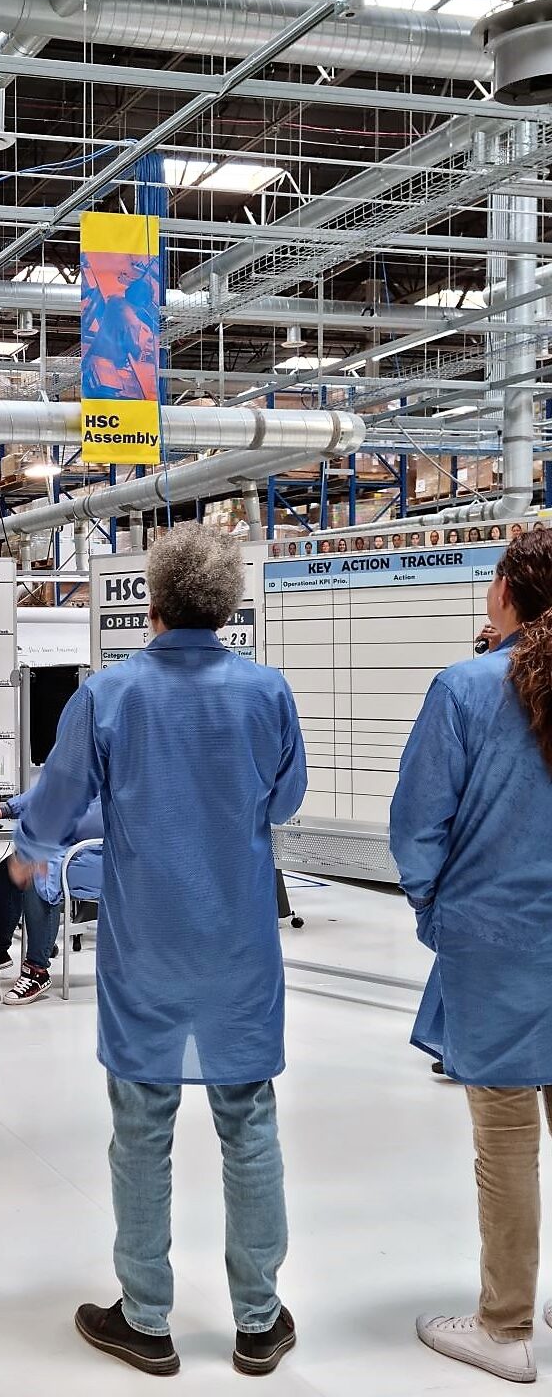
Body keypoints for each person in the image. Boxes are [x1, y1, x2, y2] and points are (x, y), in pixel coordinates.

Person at [13, 523, 307, 1378]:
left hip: (145, 945)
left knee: (141, 1127)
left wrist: (31, 848)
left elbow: (58, 798)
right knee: (248, 1121)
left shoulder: (108, 695)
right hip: (239, 945)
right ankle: (259, 1320)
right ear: (229, 605)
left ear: (152, 601)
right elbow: (285, 799)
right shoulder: (267, 692)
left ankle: (145, 1318)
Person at [390, 528, 552, 1385]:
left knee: (507, 1136)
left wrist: (434, 910)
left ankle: (504, 1325)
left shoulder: (466, 687)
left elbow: (417, 824)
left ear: (510, 594)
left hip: (495, 940)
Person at [0, 795, 103, 1006]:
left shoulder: (122, 781)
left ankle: (37, 970)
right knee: (8, 869)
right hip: (71, 848)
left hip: (102, 856)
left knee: (39, 875)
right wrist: (7, 809)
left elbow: (92, 819)